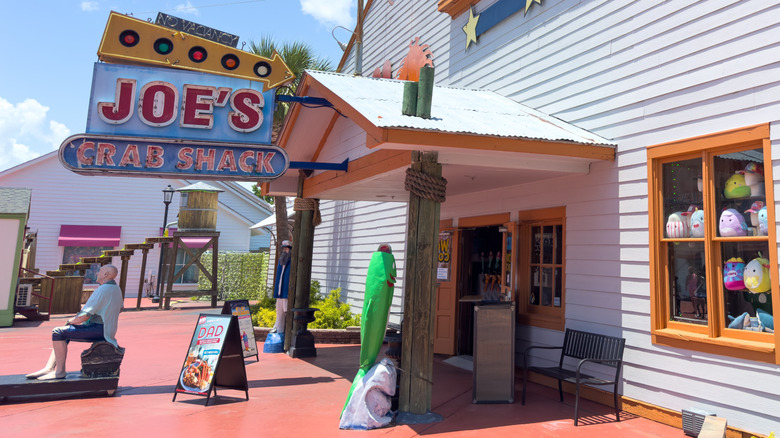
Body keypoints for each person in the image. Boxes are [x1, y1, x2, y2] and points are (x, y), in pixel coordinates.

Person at [26, 264, 124, 380]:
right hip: (108, 330)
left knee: (58, 332)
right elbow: (120, 309)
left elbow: (85, 316)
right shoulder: (116, 289)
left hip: (99, 329)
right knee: (65, 331)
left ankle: (59, 371)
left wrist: (71, 320)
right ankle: (49, 367)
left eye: (100, 271)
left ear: (105, 274)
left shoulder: (102, 290)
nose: (98, 274)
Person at [271, 240, 293, 333]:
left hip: (287, 293)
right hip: (279, 293)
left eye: (287, 249)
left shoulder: (292, 262)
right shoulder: (281, 261)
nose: (285, 250)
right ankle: (278, 330)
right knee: (279, 313)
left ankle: (287, 332)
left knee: (287, 312)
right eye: (284, 249)